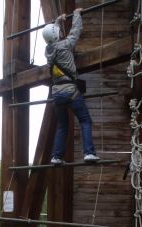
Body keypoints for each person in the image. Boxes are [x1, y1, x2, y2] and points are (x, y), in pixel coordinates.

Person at [42, 8, 100, 165]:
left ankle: (56, 157)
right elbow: (75, 31)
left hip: (56, 94)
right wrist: (76, 14)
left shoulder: (48, 50)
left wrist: (58, 21)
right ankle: (88, 152)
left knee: (62, 126)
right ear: (57, 35)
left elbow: (52, 34)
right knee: (85, 120)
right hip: (70, 90)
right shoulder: (66, 45)